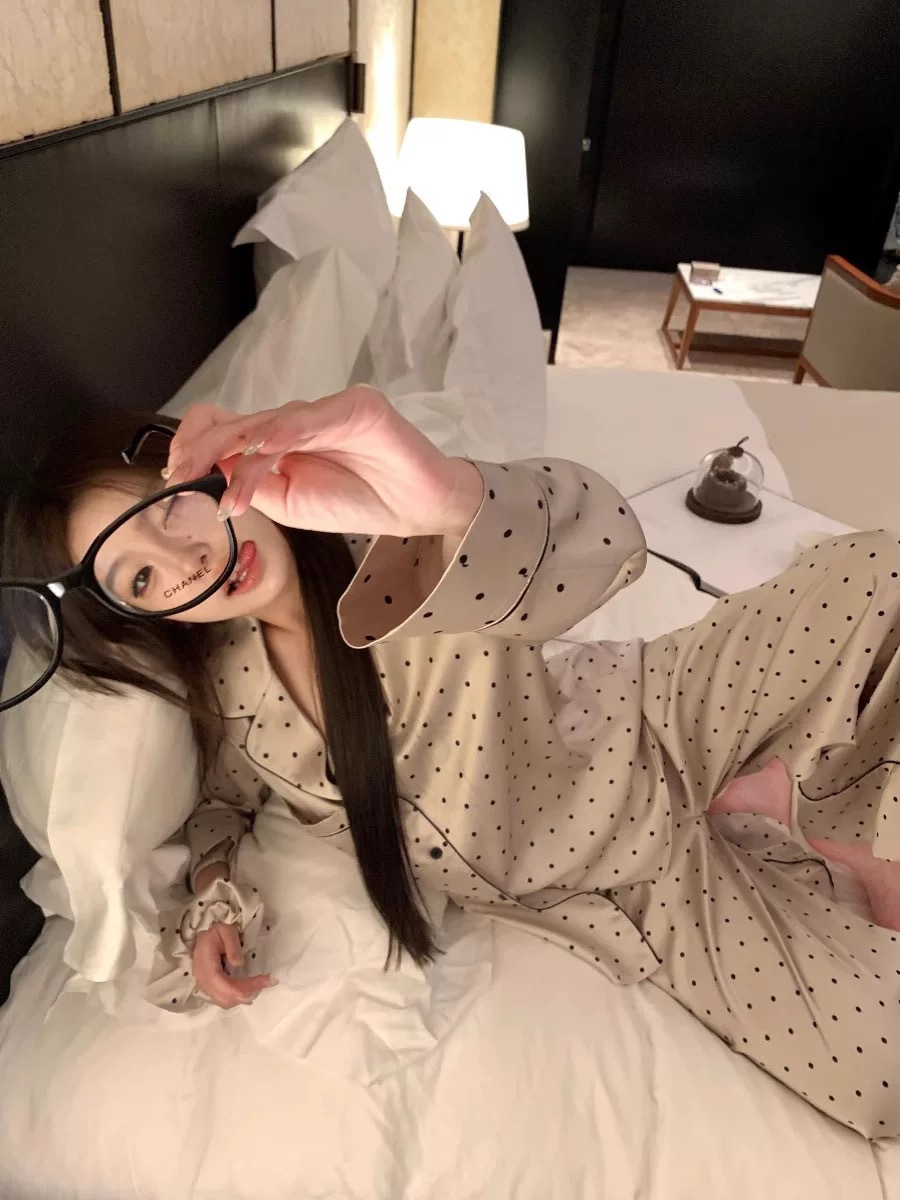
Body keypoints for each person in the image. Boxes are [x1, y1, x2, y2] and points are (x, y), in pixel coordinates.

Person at [6, 385, 900, 1139]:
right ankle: (774, 804)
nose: (184, 559)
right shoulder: (230, 698)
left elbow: (603, 545)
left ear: (209, 473)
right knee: (883, 1074)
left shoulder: (395, 547)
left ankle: (803, 804)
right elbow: (222, 808)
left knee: (878, 582)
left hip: (648, 718)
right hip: (630, 881)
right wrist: (212, 899)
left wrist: (442, 495)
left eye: (167, 510)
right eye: (140, 580)